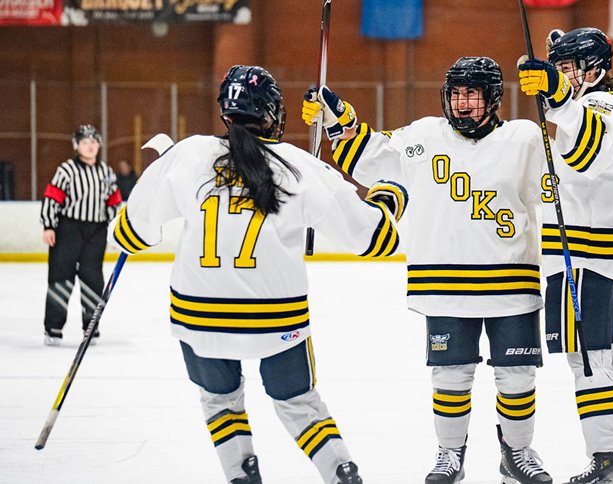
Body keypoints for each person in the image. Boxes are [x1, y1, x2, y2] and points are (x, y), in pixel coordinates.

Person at [108, 65, 406, 484]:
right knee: (297, 402)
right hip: (274, 318)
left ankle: (241, 476)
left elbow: (130, 234)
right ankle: (341, 473)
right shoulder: (298, 166)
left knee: (219, 400)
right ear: (272, 115)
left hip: (199, 316)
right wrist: (390, 196)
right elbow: (377, 240)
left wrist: (163, 181)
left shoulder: (189, 153)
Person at [302, 56, 553, 484]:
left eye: (472, 93)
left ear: (493, 98)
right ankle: (449, 455)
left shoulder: (524, 138)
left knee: (516, 376)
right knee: (451, 375)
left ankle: (518, 454)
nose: (462, 103)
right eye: (456, 93)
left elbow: (560, 185)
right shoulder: (422, 135)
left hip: (512, 280)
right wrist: (337, 119)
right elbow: (371, 154)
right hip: (443, 282)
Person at [517, 27, 613, 484]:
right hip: (599, 255)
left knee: (588, 359)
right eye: (556, 68)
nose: (560, 76)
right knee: (606, 357)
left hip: (582, 254)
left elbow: (585, 151)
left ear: (593, 68)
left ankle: (606, 459)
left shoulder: (599, 104)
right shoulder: (606, 104)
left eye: (567, 68)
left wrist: (557, 95)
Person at [40, 124, 122, 346]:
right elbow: (52, 198)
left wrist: (116, 233)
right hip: (68, 229)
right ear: (77, 146)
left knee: (92, 279)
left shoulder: (106, 172)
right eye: (85, 142)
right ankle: (53, 328)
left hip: (96, 231)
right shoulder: (66, 170)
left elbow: (113, 204)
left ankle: (91, 327)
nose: (90, 146)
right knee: (61, 277)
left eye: (94, 142)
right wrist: (49, 226)